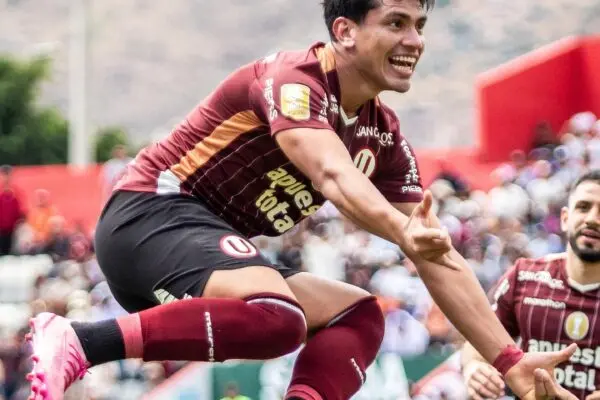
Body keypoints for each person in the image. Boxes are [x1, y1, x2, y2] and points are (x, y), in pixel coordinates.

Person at [26, 1, 576, 400]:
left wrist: (511, 361)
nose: (415, 40)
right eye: (396, 23)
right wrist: (401, 230)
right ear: (345, 31)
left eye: (420, 26)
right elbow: (332, 173)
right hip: (146, 218)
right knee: (279, 317)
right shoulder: (293, 80)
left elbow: (441, 257)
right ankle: (81, 340)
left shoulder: (384, 137)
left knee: (358, 313)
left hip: (203, 253)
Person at [462, 170, 600, 400]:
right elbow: (479, 338)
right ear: (565, 218)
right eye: (583, 207)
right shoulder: (525, 276)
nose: (593, 219)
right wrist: (474, 367)